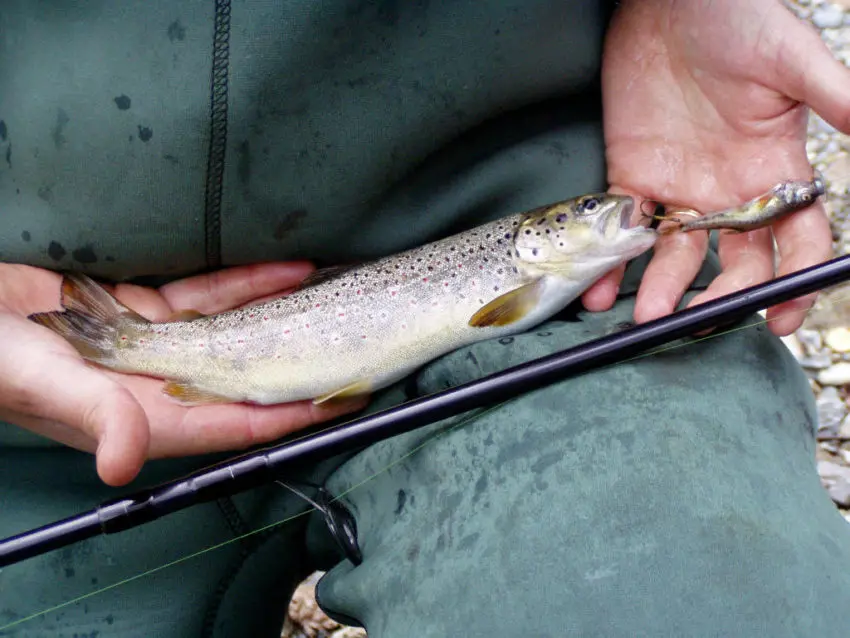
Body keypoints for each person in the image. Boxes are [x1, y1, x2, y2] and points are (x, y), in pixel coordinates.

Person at [0, 0, 848, 635]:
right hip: (31, 401)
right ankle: (126, 347)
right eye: (592, 214)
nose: (608, 216)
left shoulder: (549, 264)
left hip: (570, 318)